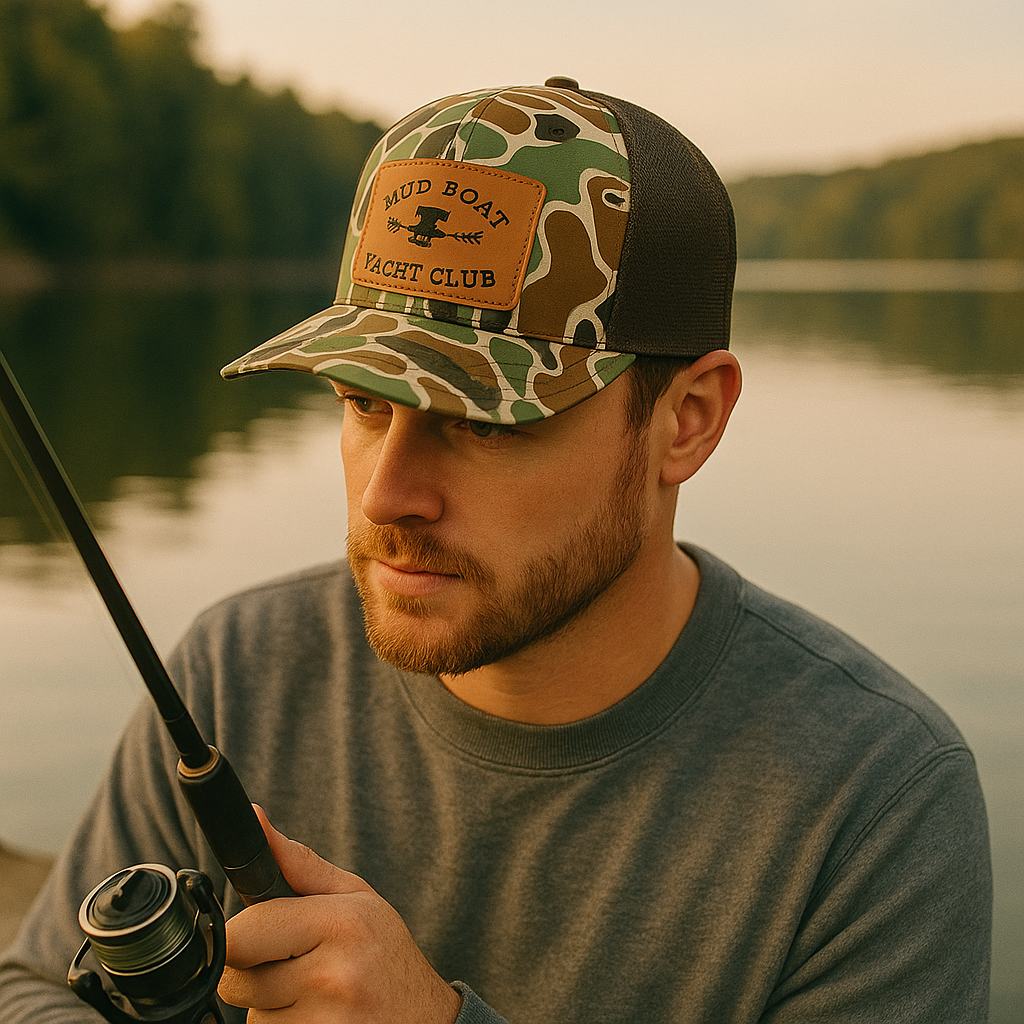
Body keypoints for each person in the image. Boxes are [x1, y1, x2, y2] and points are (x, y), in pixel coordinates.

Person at [0, 79, 991, 1023]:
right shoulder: (238, 668)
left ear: (685, 421)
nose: (387, 493)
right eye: (364, 404)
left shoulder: (874, 801)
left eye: (484, 424)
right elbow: (36, 984)